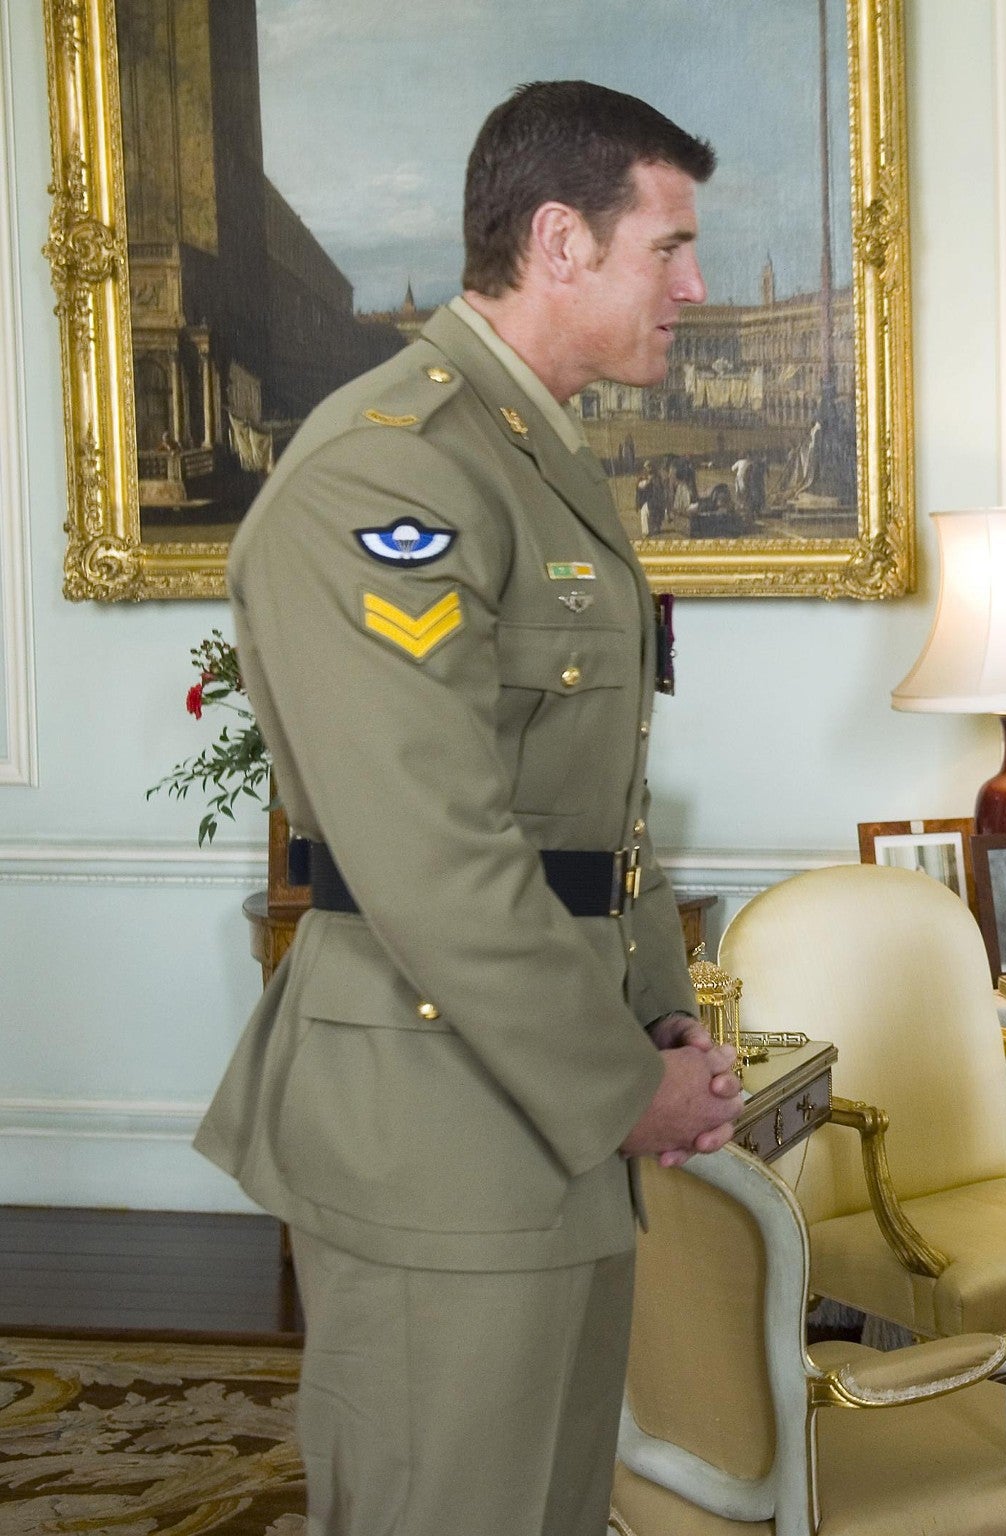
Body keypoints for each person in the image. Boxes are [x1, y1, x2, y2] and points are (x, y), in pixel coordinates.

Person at [194, 82, 739, 1536]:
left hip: (541, 1105)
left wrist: (660, 1017)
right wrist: (624, 1087)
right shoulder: (394, 468)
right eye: (669, 246)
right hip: (441, 1128)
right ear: (561, 240)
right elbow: (434, 856)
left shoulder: (528, 453)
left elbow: (590, 814)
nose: (695, 286)